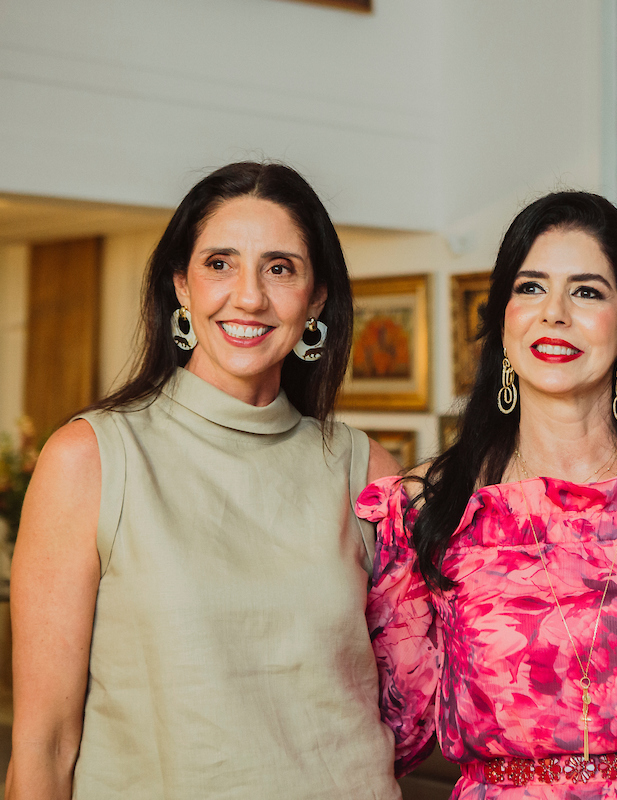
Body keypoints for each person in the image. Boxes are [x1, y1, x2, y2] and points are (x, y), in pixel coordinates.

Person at [7, 162, 403, 799]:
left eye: (281, 268)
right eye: (220, 263)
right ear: (181, 287)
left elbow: (412, 697)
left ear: (318, 297)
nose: (249, 296)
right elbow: (43, 746)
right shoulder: (93, 458)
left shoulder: (364, 472)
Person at [358, 191, 617, 798]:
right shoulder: (430, 507)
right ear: (503, 323)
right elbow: (388, 731)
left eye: (587, 291)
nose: (556, 313)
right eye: (531, 287)